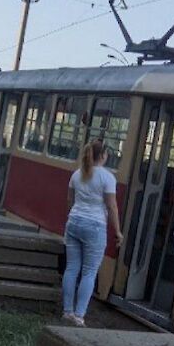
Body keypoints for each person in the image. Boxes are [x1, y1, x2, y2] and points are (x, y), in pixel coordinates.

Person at [62, 140, 123, 327]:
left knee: (72, 268)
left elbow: (69, 200)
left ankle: (67, 311)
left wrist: (74, 217)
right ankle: (79, 315)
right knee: (89, 272)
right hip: (95, 226)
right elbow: (112, 207)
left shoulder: (76, 174)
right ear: (103, 155)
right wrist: (118, 232)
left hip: (74, 222)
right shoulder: (107, 178)